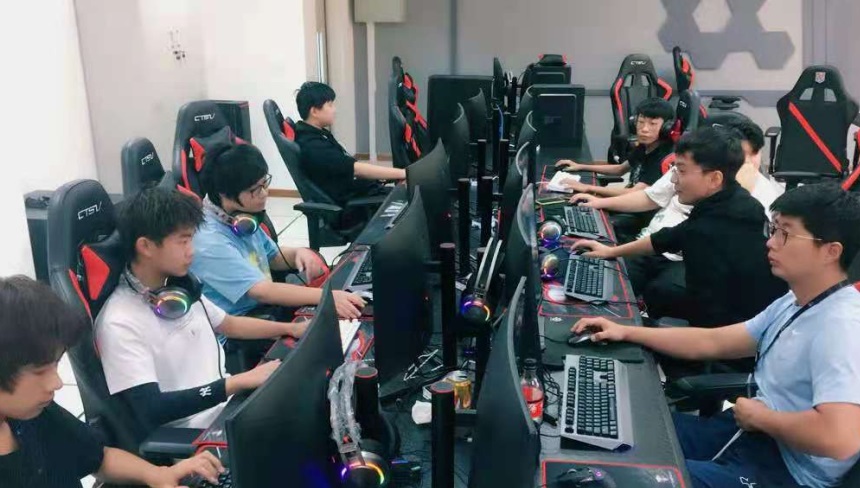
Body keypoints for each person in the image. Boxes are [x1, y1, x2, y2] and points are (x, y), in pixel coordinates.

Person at [571, 183, 860, 488]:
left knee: (623, 479)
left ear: (831, 251)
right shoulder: (796, 301)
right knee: (621, 430)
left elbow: (840, 439)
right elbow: (713, 342)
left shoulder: (841, 328)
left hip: (786, 470)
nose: (771, 243)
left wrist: (762, 419)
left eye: (785, 234)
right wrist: (627, 331)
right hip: (752, 433)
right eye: (773, 229)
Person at [96, 188, 305, 435]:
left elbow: (229, 324)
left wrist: (291, 329)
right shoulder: (119, 321)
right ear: (146, 246)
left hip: (229, 408)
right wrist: (237, 382)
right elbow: (151, 408)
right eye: (183, 241)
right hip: (198, 433)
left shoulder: (178, 287)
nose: (191, 251)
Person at [0, 275, 228, 487]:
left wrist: (158, 475)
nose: (56, 383)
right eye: (39, 372)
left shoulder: (38, 414)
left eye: (56, 364)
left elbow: (99, 457)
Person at [573, 126, 787, 327]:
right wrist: (610, 252)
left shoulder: (717, 226)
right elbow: (668, 238)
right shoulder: (730, 201)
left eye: (682, 172)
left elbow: (713, 323)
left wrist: (632, 331)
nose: (674, 180)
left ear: (714, 179)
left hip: (730, 331)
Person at [191, 142, 365, 320]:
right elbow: (261, 291)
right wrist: (328, 298)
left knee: (352, 295)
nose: (264, 193)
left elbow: (272, 257)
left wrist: (298, 253)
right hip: (243, 321)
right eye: (255, 190)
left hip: (264, 308)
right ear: (224, 193)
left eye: (264, 183)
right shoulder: (209, 241)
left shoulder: (240, 218)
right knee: (335, 315)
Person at [294, 81, 406, 205]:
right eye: (330, 105)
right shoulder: (314, 146)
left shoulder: (317, 134)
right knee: (410, 196)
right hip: (352, 203)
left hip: (356, 191)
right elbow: (357, 169)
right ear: (314, 111)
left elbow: (348, 166)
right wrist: (403, 173)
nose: (334, 110)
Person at [555, 97, 676, 198]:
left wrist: (587, 188)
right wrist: (580, 166)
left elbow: (635, 193)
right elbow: (620, 169)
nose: (644, 129)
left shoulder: (664, 157)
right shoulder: (645, 146)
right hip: (628, 200)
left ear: (666, 127)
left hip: (640, 211)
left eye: (652, 124)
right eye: (641, 122)